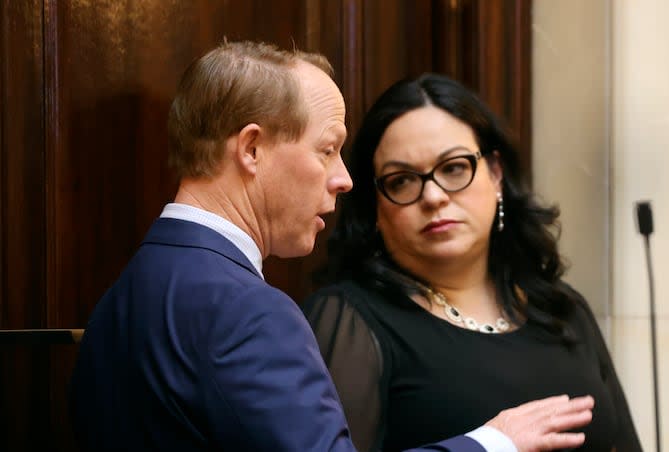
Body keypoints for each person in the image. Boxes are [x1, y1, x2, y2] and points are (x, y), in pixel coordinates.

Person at [69, 41, 594, 452]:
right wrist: (494, 441)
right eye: (328, 149)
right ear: (252, 148)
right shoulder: (251, 313)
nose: (344, 179)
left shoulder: (124, 293)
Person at [303, 73, 643, 452]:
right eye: (401, 181)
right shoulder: (349, 321)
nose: (433, 196)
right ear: (375, 210)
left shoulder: (563, 309)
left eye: (453, 168)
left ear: (496, 174)